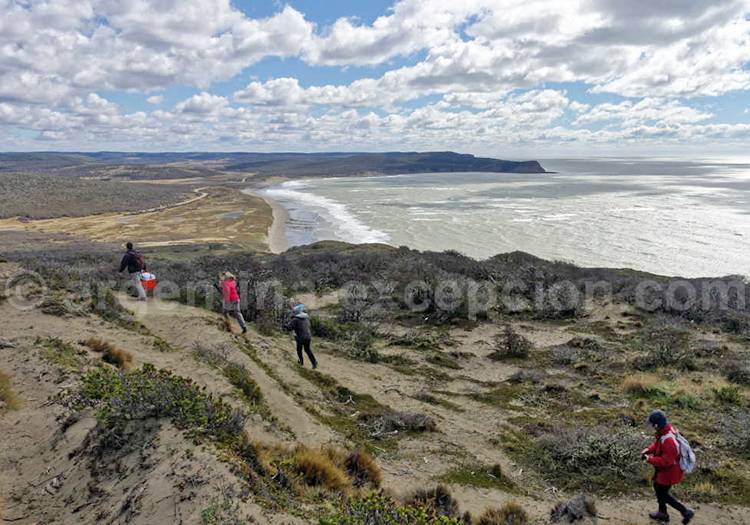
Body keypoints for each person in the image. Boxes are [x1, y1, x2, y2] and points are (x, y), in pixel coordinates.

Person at [642, 410, 694, 524]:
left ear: (657, 425)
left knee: (662, 493)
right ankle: (663, 513)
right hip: (667, 471)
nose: (651, 427)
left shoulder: (668, 440)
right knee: (658, 488)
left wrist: (649, 459)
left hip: (670, 472)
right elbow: (658, 444)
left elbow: (667, 461)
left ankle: (685, 512)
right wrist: (648, 450)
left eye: (652, 424)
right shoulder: (665, 432)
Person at [288, 304, 317, 369]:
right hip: (308, 336)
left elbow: (289, 328)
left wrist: (285, 326)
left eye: (293, 312)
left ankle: (301, 362)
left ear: (296, 312)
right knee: (307, 350)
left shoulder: (295, 319)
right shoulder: (306, 318)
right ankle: (314, 362)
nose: (292, 313)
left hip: (300, 337)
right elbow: (309, 326)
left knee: (299, 350)